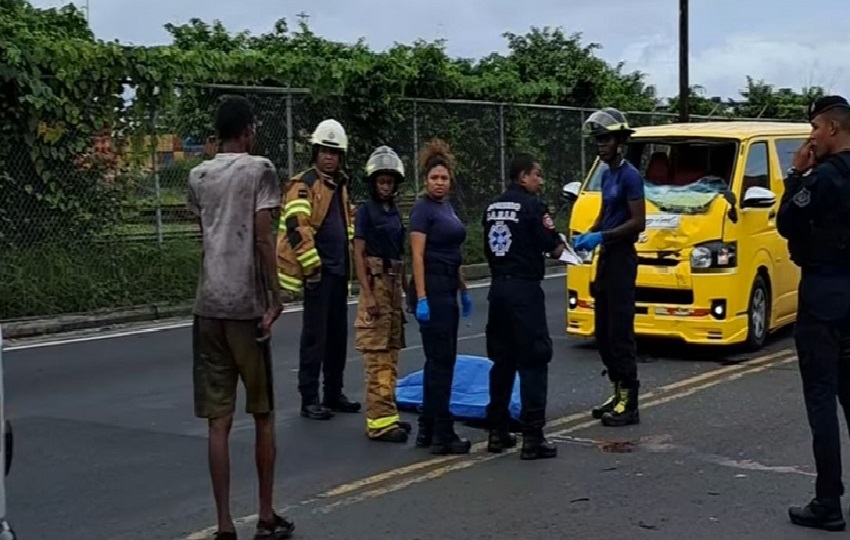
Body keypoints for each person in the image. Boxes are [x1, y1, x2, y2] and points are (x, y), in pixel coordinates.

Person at [186, 95, 295, 540]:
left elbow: (203, 234)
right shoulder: (259, 169)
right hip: (245, 307)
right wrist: (275, 296)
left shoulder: (198, 175)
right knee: (263, 413)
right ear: (248, 130)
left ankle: (225, 524)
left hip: (207, 305)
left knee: (219, 422)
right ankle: (266, 516)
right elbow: (264, 238)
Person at [778, 95, 850, 532]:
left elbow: (787, 221)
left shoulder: (820, 178)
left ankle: (828, 501)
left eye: (815, 131)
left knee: (821, 397)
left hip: (823, 295)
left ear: (833, 130)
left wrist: (794, 174)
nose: (811, 139)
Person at [482, 152, 566, 460]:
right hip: (524, 291)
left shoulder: (491, 208)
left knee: (502, 361)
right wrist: (568, 243)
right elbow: (554, 248)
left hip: (498, 289)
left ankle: (497, 430)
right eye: (537, 175)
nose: (540, 181)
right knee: (534, 359)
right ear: (522, 177)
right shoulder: (533, 207)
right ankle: (533, 436)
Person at [277, 119, 361, 421]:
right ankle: (309, 398)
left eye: (334, 152)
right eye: (324, 150)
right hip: (319, 273)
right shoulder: (305, 184)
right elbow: (296, 227)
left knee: (338, 337)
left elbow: (347, 224)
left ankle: (333, 393)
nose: (329, 156)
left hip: (339, 272)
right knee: (315, 337)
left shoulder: (339, 184)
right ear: (315, 151)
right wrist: (312, 267)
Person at [572, 107, 646, 428]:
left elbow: (637, 223)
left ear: (619, 141)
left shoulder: (630, 175)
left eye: (605, 139)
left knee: (619, 332)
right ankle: (616, 392)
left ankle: (630, 401)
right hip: (605, 258)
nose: (600, 145)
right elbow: (606, 212)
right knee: (601, 331)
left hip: (622, 259)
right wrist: (589, 232)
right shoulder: (607, 174)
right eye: (597, 140)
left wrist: (602, 235)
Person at [409, 138, 473, 455]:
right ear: (425, 180)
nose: (439, 183)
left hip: (448, 286)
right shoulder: (423, 209)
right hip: (432, 288)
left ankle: (427, 427)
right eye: (434, 178)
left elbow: (454, 252)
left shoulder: (446, 207)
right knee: (441, 362)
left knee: (439, 362)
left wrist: (463, 289)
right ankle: (442, 433)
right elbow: (417, 256)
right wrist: (421, 297)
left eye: (444, 178)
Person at [353, 146, 413, 443]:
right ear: (373, 183)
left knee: (391, 357)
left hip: (393, 287)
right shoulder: (366, 211)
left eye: (390, 182)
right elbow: (359, 252)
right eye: (381, 182)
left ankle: (388, 416)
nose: (386, 186)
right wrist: (369, 294)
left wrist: (406, 292)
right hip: (376, 287)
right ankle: (377, 423)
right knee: (376, 358)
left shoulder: (393, 213)